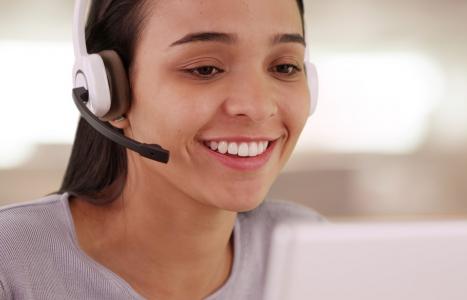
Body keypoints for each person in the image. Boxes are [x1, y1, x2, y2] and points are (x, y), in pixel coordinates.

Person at [0, 0, 325, 299]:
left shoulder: (311, 248)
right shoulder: (11, 264)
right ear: (108, 93)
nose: (257, 107)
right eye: (205, 69)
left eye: (285, 67)